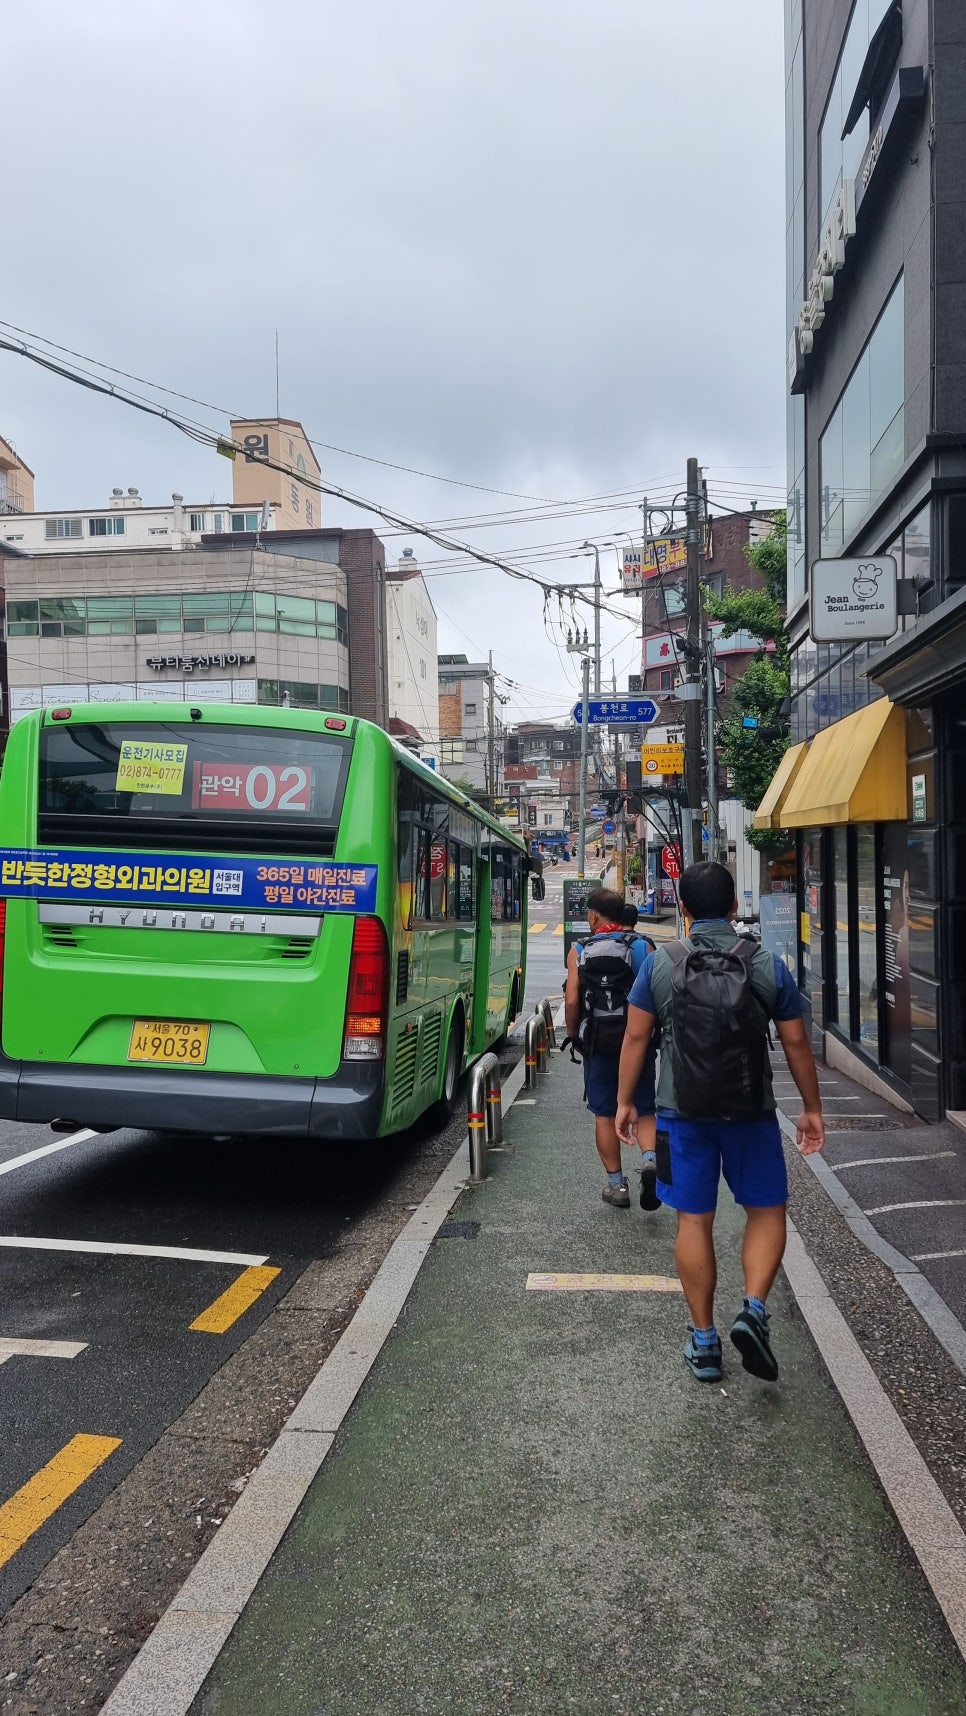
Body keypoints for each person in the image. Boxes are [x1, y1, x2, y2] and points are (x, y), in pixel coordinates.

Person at [615, 861, 825, 1383]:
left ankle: (705, 1342)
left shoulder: (660, 964)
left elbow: (636, 1038)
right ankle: (753, 1308)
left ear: (682, 908)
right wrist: (811, 1108)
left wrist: (624, 1102)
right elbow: (797, 1042)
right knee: (766, 1210)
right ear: (734, 906)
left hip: (680, 1115)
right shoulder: (765, 964)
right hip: (750, 1111)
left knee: (693, 1221)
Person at [564, 888, 661, 1212]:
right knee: (644, 1107)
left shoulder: (579, 949)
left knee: (604, 1113)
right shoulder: (642, 946)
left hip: (599, 1042)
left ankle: (617, 1184)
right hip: (638, 1038)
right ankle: (649, 1160)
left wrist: (573, 1033)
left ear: (593, 915)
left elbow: (573, 999)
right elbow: (656, 994)